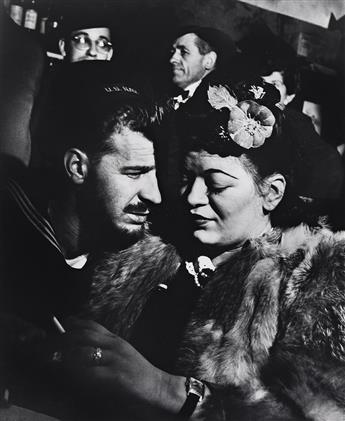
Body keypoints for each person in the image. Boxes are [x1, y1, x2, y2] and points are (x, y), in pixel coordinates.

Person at [29, 80, 345, 420]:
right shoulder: (144, 246)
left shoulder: (310, 278)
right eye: (186, 178)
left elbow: (321, 412)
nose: (192, 198)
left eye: (216, 184)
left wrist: (169, 390)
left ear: (271, 193)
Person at [168, 25, 236, 111]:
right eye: (172, 51)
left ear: (209, 61)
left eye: (184, 52)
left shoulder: (218, 108)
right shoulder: (166, 94)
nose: (172, 59)